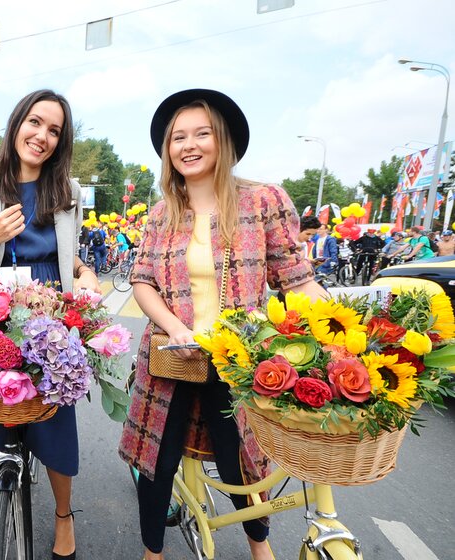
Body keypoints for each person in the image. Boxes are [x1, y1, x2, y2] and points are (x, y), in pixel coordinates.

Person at [118, 89, 327, 560]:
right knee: (156, 463)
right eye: (178, 137)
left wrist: (339, 333)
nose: (188, 145)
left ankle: (260, 546)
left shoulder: (262, 202)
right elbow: (142, 283)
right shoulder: (160, 215)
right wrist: (173, 326)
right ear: (168, 150)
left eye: (201, 134)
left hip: (240, 362)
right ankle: (154, 552)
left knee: (242, 464)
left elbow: (298, 280)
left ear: (223, 141)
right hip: (172, 358)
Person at [0, 89, 101, 560]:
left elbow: (68, 257)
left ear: (61, 141)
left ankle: (63, 516)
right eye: (35, 123)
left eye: (54, 130)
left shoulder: (69, 194)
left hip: (50, 315)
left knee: (55, 420)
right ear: (17, 123)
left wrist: (86, 273)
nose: (41, 136)